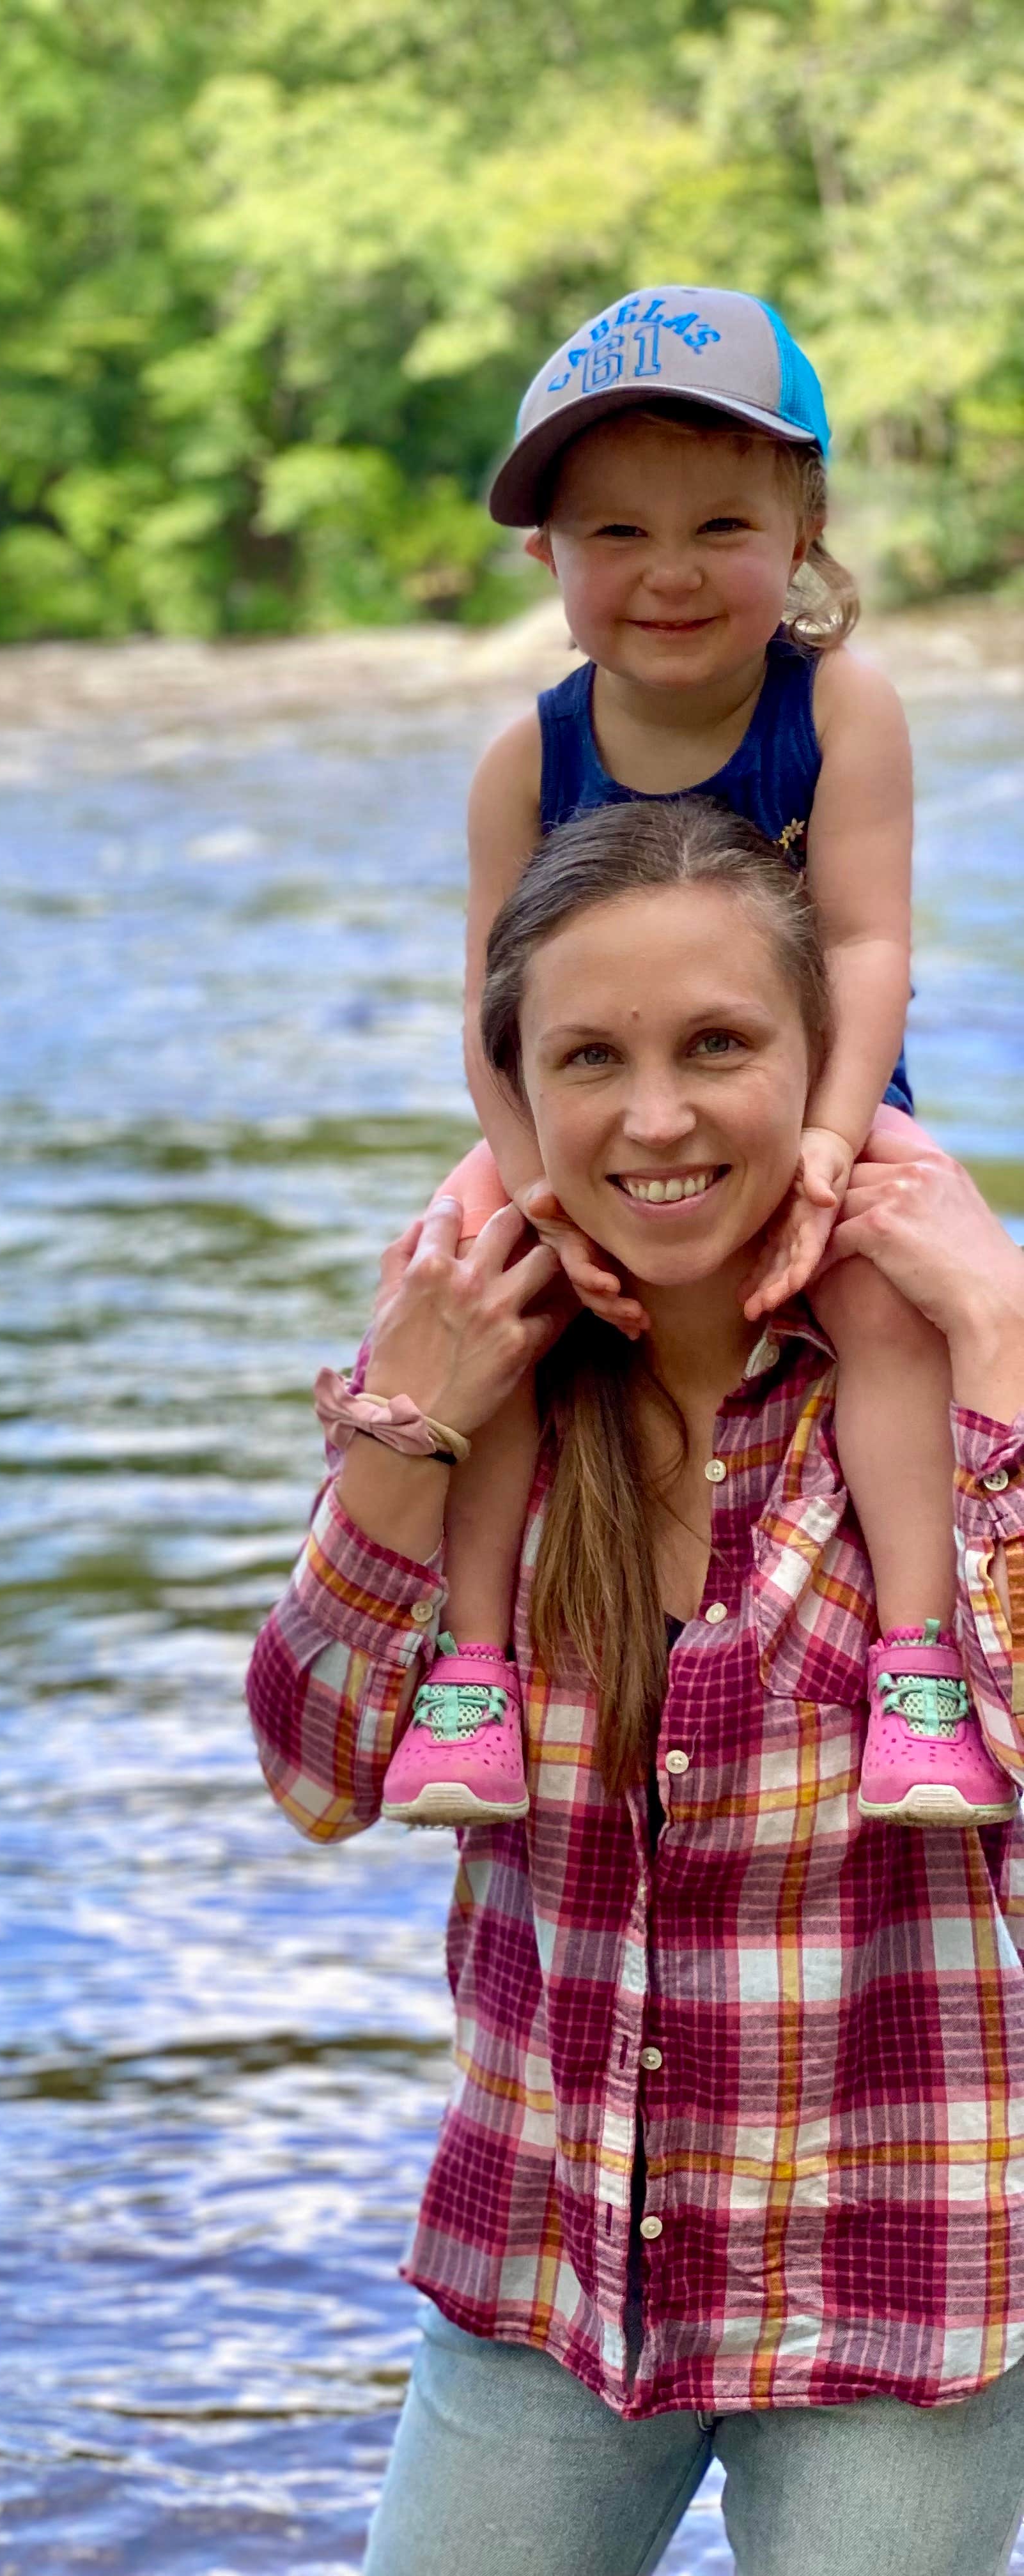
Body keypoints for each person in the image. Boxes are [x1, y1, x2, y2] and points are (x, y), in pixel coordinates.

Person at [246, 799, 1024, 2575]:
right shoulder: (485, 1385)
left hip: (895, 2294)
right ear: (515, 1088)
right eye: (591, 1054)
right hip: (547, 2277)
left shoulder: (939, 1382)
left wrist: (1001, 1336)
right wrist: (400, 1428)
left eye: (719, 1046)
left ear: (823, 1066)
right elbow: (314, 1773)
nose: (656, 1116)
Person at [381, 283, 1012, 1834]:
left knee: (884, 1293)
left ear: (801, 529)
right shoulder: (526, 756)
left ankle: (920, 1662)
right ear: (548, 557)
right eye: (615, 535)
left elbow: (866, 948)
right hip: (576, 1111)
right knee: (488, 1288)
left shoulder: (839, 706)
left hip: (826, 1087)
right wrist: (537, 1192)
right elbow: (495, 1011)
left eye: (721, 524)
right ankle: (471, 1670)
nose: (669, 574)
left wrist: (828, 1140)